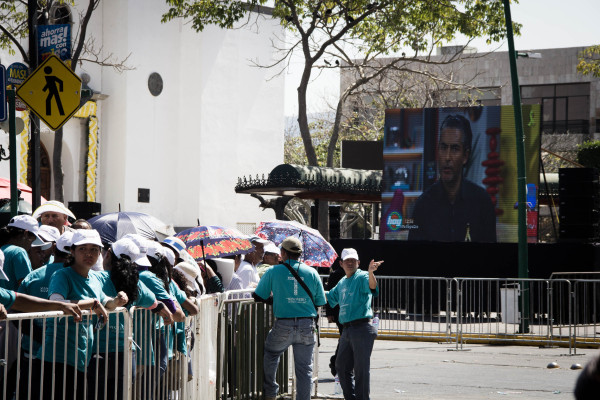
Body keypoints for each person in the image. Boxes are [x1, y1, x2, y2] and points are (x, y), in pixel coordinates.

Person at [40, 229, 127, 400]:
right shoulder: (62, 275)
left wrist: (117, 301)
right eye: (83, 248)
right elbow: (56, 304)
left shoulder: (94, 278)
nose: (89, 253)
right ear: (72, 251)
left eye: (94, 249)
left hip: (81, 356)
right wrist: (92, 304)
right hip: (58, 356)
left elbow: (104, 302)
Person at [253, 236, 326, 400]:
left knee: (271, 354)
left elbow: (258, 296)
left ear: (283, 252)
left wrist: (276, 300)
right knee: (304, 370)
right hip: (307, 324)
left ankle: (271, 392)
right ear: (299, 254)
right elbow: (320, 301)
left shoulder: (273, 271)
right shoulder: (312, 272)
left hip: (283, 324)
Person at [408, 114, 496, 242]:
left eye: (454, 149)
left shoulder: (482, 203)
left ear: (465, 156)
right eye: (443, 148)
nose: (447, 157)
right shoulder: (423, 205)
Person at [327, 248, 383, 400]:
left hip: (361, 327)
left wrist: (371, 272)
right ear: (341, 263)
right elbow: (329, 297)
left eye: (353, 260)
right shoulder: (342, 282)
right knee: (341, 366)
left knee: (361, 370)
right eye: (347, 260)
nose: (350, 263)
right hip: (346, 329)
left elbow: (372, 286)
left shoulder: (363, 276)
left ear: (358, 262)